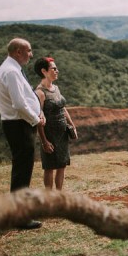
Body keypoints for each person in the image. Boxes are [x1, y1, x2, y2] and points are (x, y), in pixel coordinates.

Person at [0, 38, 46, 230]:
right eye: (29, 51)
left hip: (19, 123)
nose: (31, 54)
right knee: (22, 170)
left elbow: (25, 97)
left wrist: (37, 113)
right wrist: (36, 119)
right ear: (17, 52)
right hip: (19, 125)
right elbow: (18, 104)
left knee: (22, 169)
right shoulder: (11, 72)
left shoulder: (12, 68)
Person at [34, 57, 77, 191]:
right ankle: (49, 197)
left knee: (62, 165)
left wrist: (71, 124)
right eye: (54, 68)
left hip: (62, 133)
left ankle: (59, 194)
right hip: (49, 134)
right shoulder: (40, 93)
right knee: (49, 167)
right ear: (44, 71)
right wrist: (44, 141)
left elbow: (62, 108)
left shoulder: (56, 88)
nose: (57, 71)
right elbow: (38, 119)